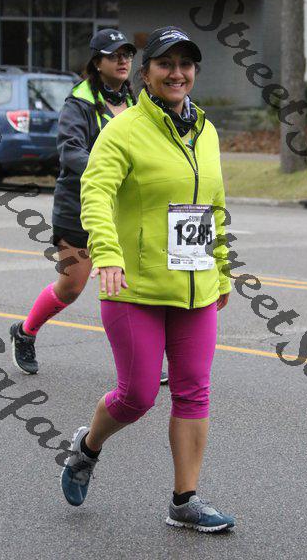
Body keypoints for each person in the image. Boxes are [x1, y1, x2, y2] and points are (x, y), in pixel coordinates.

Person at [60, 26, 235, 533]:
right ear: (146, 73)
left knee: (193, 392)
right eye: (165, 64)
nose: (177, 73)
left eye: (186, 64)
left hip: (194, 284)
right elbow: (95, 192)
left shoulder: (205, 129)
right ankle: (87, 446)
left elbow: (214, 205)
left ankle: (185, 500)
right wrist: (108, 255)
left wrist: (222, 268)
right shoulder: (124, 129)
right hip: (133, 286)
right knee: (137, 396)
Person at [8, 29, 160, 375]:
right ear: (97, 62)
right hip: (78, 207)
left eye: (127, 54)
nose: (122, 60)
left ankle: (144, 360)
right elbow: (70, 151)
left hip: (123, 208)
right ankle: (25, 331)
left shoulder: (137, 101)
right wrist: (111, 171)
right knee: (72, 285)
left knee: (130, 285)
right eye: (113, 55)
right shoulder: (79, 103)